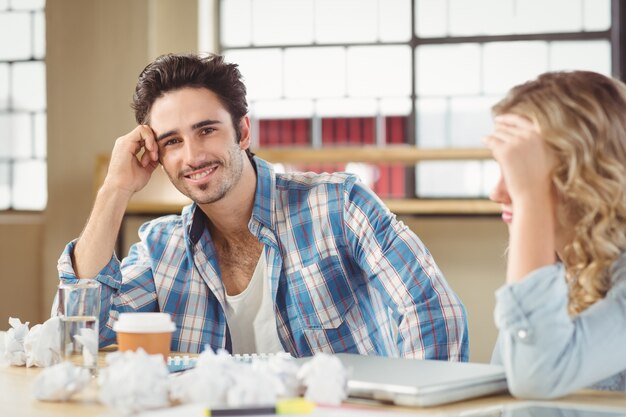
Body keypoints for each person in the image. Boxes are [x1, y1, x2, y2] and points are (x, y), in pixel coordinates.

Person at [57, 53, 468, 359]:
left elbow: (432, 310)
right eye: (173, 141)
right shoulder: (161, 248)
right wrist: (115, 188)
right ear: (157, 155)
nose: (193, 155)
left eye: (206, 130)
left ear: (242, 131)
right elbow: (81, 334)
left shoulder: (339, 204)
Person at [484, 71, 626, 398]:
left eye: (521, 171)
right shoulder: (559, 276)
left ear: (586, 175)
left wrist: (530, 197)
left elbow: (536, 378)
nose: (497, 192)